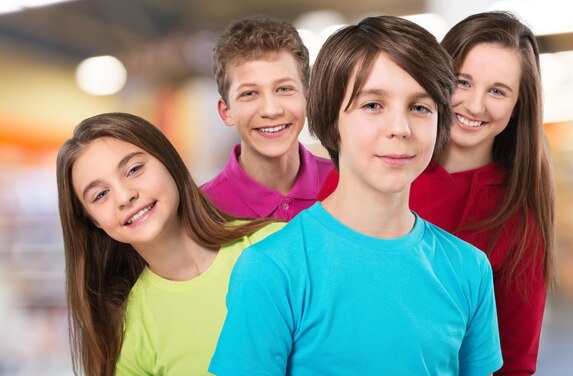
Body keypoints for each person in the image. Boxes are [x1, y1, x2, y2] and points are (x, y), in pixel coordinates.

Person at [209, 16, 503, 375]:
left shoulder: (469, 269)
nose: (400, 128)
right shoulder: (273, 270)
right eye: (373, 105)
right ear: (331, 118)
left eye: (420, 107)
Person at [318, 11, 556, 375]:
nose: (475, 105)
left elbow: (513, 363)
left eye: (497, 91)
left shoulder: (519, 219)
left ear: (517, 104)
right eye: (462, 82)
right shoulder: (371, 165)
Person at [56, 113, 283, 376]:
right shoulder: (131, 332)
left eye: (134, 169)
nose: (125, 196)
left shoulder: (277, 246)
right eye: (100, 195)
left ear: (168, 161)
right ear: (93, 221)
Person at [200, 16, 333, 220]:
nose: (271, 110)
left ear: (307, 99)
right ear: (226, 112)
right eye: (249, 93)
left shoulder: (346, 186)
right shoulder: (202, 212)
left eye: (284, 89)